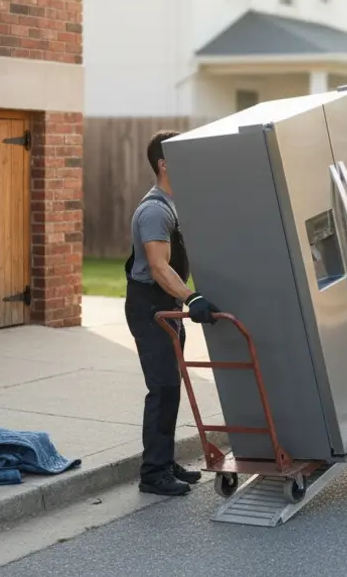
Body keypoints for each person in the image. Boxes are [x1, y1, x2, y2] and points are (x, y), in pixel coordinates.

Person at [125, 129, 234, 495]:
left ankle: (165, 462)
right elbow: (158, 267)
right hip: (150, 307)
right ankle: (152, 474)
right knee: (163, 387)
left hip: (166, 308)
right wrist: (191, 298)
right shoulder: (154, 211)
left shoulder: (176, 204)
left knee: (171, 387)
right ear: (164, 164)